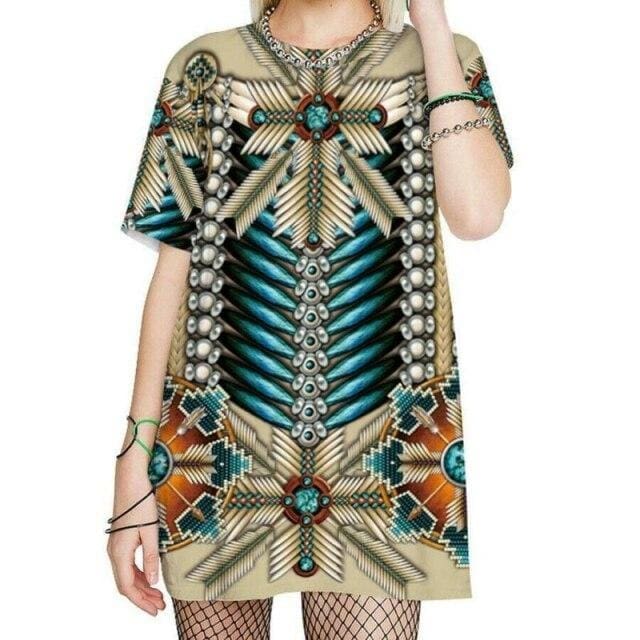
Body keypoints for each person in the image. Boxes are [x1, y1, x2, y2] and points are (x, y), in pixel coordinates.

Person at [107, 0, 513, 638]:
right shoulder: (203, 66)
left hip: (385, 458)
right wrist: (134, 458)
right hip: (216, 453)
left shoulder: (447, 59)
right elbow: (172, 272)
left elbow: (478, 215)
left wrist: (431, 23)